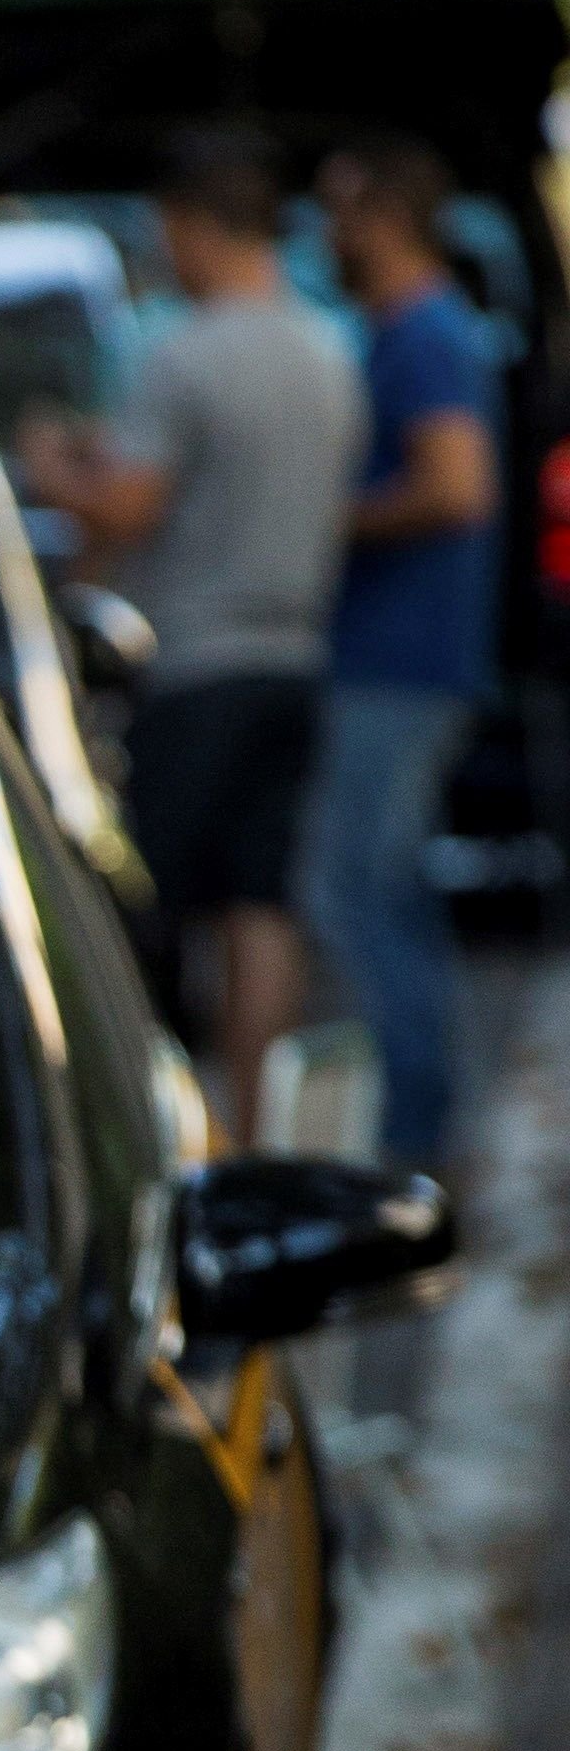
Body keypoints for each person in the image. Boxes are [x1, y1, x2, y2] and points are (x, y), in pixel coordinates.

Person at [18, 130, 363, 1142]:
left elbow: (127, 510)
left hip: (195, 658)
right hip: (296, 654)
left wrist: (49, 470)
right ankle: (254, 1132)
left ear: (198, 228)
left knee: (150, 914)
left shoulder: (182, 350)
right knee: (262, 908)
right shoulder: (328, 347)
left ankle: (163, 1132)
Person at [309, 137, 504, 1166]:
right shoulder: (404, 331)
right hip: (394, 657)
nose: (327, 236)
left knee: (359, 888)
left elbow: (456, 487)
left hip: (402, 660)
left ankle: (415, 1130)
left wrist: (323, 519)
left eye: (341, 212)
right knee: (383, 889)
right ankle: (424, 1114)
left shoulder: (424, 334)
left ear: (386, 217)